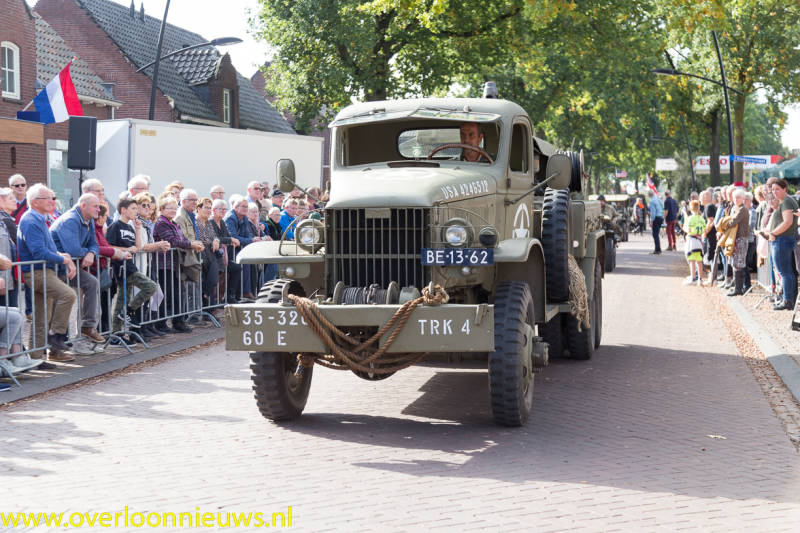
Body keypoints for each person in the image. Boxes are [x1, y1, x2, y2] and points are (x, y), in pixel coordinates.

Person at [17, 184, 78, 363]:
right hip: (38, 272)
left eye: (53, 198)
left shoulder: (39, 218)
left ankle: (36, 359)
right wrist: (64, 260)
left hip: (42, 271)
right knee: (68, 295)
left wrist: (61, 255)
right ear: (35, 202)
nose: (53, 201)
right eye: (48, 198)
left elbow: (46, 249)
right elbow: (38, 252)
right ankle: (56, 335)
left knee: (41, 317)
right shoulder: (31, 220)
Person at [49, 193, 105, 344]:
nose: (99, 210)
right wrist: (86, 253)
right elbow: (73, 249)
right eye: (95, 206)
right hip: (56, 268)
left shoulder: (88, 219)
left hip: (71, 267)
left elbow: (94, 244)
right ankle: (54, 344)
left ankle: (88, 326)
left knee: (92, 283)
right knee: (60, 302)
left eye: (99, 206)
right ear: (83, 206)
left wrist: (92, 253)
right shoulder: (70, 220)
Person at [106, 198, 159, 342]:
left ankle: (118, 333)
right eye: (134, 208)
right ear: (123, 210)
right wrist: (126, 249)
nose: (136, 211)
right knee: (150, 286)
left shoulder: (130, 227)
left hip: (130, 265)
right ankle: (127, 313)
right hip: (120, 267)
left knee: (122, 300)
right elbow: (109, 247)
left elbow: (138, 246)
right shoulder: (115, 226)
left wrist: (136, 229)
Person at [153, 197, 197, 333]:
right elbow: (172, 241)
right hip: (163, 264)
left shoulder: (174, 223)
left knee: (178, 292)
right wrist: (190, 244)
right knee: (166, 294)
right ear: (161, 209)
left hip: (175, 263)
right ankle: (161, 324)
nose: (173, 210)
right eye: (169, 208)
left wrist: (191, 243)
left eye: (174, 208)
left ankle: (178, 321)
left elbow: (181, 238)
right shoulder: (161, 223)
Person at [766, 179, 798, 310]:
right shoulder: (784, 202)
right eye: (773, 190)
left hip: (782, 240)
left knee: (784, 272)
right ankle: (788, 299)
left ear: (785, 189)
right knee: (786, 272)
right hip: (782, 239)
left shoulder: (786, 201)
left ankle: (787, 300)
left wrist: (773, 233)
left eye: (777, 189)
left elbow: (787, 222)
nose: (774, 192)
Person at [175, 189, 205, 317]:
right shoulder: (180, 217)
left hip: (192, 256)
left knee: (195, 286)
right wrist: (195, 244)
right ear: (183, 201)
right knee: (190, 288)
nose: (195, 202)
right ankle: (191, 315)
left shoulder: (191, 215)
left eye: (195, 200)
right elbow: (183, 238)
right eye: (192, 200)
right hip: (185, 257)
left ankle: (196, 314)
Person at [224, 195, 261, 300]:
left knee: (250, 261)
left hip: (240, 248)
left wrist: (252, 239)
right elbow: (233, 237)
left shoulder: (244, 218)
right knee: (243, 262)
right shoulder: (230, 218)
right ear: (235, 208)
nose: (246, 209)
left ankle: (247, 291)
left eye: (246, 206)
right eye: (243, 206)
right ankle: (242, 293)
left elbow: (245, 235)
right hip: (229, 250)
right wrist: (251, 240)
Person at [209, 199, 241, 303]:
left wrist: (229, 239)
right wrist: (230, 239)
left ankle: (230, 296)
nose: (223, 211)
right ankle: (214, 301)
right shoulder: (210, 222)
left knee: (236, 268)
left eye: (224, 209)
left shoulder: (222, 222)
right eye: (220, 209)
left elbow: (226, 236)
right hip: (213, 256)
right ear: (213, 210)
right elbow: (215, 238)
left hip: (223, 256)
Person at [195, 197, 222, 310]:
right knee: (205, 281)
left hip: (210, 254)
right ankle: (206, 308)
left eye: (210, 208)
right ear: (198, 209)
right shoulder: (195, 222)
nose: (208, 210)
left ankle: (208, 304)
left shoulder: (209, 223)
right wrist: (212, 241)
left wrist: (216, 240)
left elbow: (214, 236)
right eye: (206, 207)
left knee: (213, 279)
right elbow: (199, 239)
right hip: (200, 254)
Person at [726, 189, 751, 297]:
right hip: (735, 239)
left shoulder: (743, 209)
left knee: (738, 264)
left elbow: (733, 222)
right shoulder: (734, 208)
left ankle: (739, 289)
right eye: (735, 197)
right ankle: (738, 287)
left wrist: (723, 224)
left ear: (743, 199)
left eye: (738, 197)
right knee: (734, 263)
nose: (736, 200)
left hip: (741, 239)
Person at [683, 200, 706, 286]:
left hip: (691, 240)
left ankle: (693, 278)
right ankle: (700, 279)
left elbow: (687, 229)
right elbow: (704, 228)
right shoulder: (701, 218)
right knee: (699, 261)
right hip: (699, 240)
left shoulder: (690, 218)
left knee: (692, 260)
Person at [647, 190, 664, 255]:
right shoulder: (658, 198)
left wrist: (651, 220)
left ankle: (657, 250)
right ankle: (658, 249)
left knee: (655, 234)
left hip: (656, 218)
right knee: (657, 234)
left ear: (649, 195)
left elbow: (653, 212)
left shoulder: (651, 201)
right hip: (660, 217)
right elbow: (662, 207)